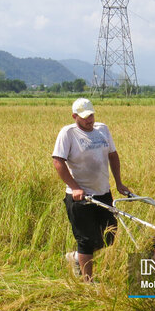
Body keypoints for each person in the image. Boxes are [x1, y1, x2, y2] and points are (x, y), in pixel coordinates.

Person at [52, 97, 130, 282]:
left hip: (103, 193)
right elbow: (58, 162)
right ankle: (88, 282)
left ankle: (76, 257)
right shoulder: (68, 133)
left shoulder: (102, 129)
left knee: (109, 237)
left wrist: (119, 183)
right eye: (85, 117)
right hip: (80, 198)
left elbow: (113, 155)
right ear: (74, 116)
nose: (90, 120)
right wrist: (75, 187)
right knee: (86, 241)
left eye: (91, 115)